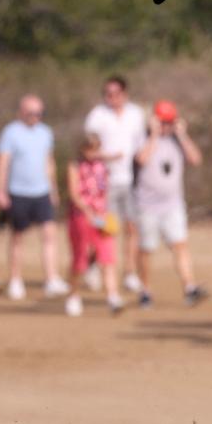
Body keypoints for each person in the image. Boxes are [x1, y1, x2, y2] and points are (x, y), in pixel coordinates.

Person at [134, 99, 208, 308]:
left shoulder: (177, 141)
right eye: (162, 122)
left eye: (169, 122)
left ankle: (189, 287)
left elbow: (195, 159)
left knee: (180, 245)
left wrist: (182, 134)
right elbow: (141, 159)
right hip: (147, 206)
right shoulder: (143, 138)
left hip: (173, 205)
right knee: (146, 250)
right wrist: (155, 134)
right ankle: (145, 290)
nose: (166, 126)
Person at [0, 94, 68, 301]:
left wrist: (53, 189)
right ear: (21, 111)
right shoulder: (10, 132)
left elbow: (49, 162)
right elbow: (3, 162)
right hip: (18, 192)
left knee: (49, 235)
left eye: (38, 113)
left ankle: (51, 279)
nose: (34, 117)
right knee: (18, 237)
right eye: (30, 113)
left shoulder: (45, 133)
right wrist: (0, 190)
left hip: (42, 192)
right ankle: (16, 280)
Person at [84, 75, 146, 297]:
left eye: (116, 93)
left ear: (125, 94)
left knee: (132, 227)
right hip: (104, 182)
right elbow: (87, 150)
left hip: (130, 180)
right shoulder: (97, 116)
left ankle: (129, 273)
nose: (112, 98)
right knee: (105, 228)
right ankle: (93, 267)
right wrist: (107, 156)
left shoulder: (136, 115)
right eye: (108, 94)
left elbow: (140, 148)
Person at [65, 133, 122, 317]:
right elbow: (74, 194)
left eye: (97, 148)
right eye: (91, 148)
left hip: (101, 216)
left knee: (107, 256)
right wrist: (87, 211)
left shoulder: (102, 167)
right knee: (81, 258)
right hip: (81, 216)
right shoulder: (75, 167)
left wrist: (103, 214)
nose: (94, 152)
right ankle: (73, 295)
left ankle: (113, 297)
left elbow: (104, 192)